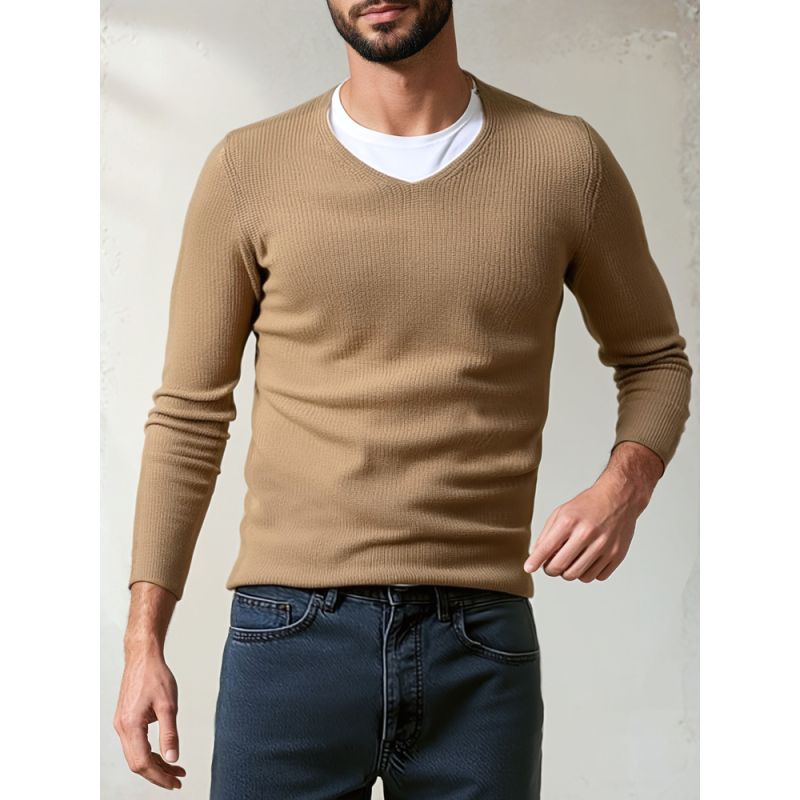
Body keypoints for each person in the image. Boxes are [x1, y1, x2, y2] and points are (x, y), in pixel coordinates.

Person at [113, 1, 693, 797]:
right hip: (290, 640)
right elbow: (188, 415)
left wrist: (623, 487)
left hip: (479, 645)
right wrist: (143, 642)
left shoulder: (565, 160)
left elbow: (655, 358)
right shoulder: (249, 168)